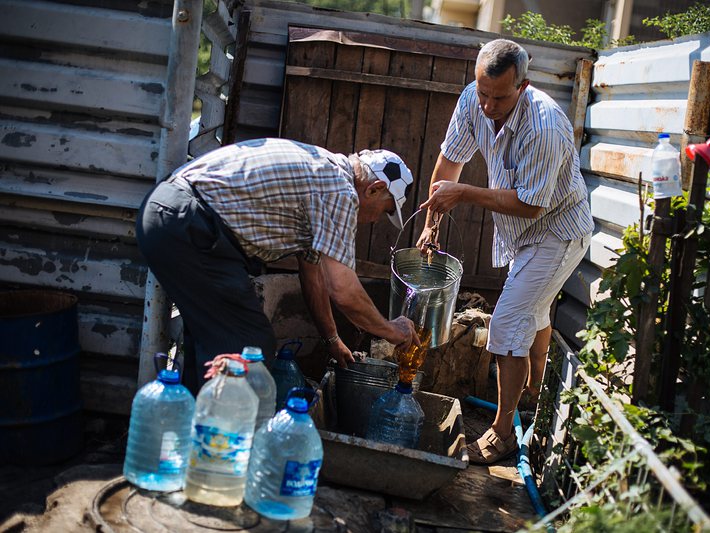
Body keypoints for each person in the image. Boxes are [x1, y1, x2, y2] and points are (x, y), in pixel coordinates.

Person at [416, 39, 594, 464]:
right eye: (482, 93)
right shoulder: (473, 99)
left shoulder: (545, 126)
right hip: (524, 233)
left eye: (499, 97)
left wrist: (466, 194)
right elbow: (448, 166)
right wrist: (430, 224)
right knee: (535, 313)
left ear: (523, 85)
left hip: (557, 230)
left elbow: (532, 204)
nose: (488, 105)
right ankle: (531, 393)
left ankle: (502, 434)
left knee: (508, 322)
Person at [137, 138, 420, 392]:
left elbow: (314, 276)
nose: (374, 221)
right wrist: (393, 331)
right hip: (189, 224)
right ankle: (225, 442)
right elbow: (343, 290)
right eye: (383, 212)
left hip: (170, 213)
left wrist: (332, 339)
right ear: (375, 188)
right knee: (248, 347)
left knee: (214, 348)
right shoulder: (340, 191)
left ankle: (195, 437)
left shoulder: (323, 174)